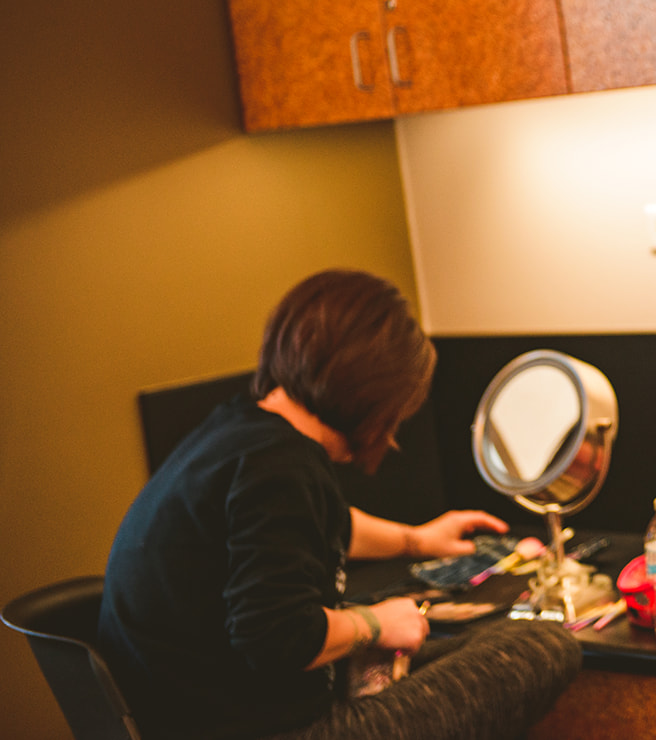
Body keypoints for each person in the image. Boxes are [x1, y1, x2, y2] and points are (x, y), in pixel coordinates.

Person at [98, 270, 580, 740]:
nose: (391, 434)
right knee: (540, 645)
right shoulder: (280, 467)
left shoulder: (242, 432)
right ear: (373, 395)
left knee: (467, 640)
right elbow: (278, 639)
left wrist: (416, 540)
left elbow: (309, 527)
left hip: (215, 708)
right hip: (281, 728)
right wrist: (375, 623)